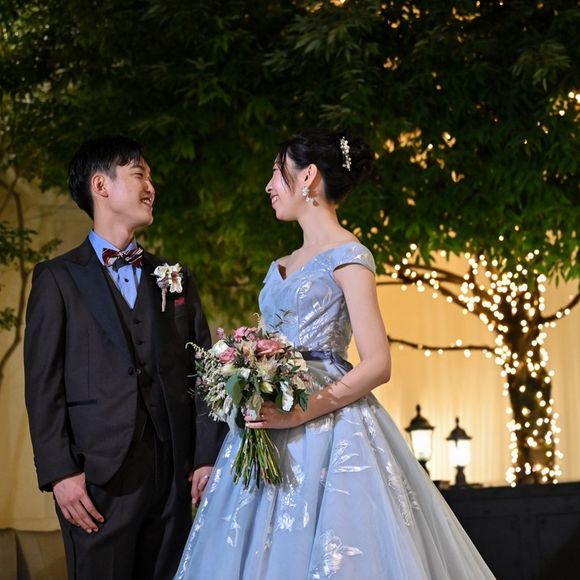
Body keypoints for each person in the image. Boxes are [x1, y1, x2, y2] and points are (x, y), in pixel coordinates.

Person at [174, 129, 495, 579]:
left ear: (308, 176)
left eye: (277, 172)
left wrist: (298, 413)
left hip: (330, 429)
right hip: (269, 422)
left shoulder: (349, 256)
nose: (268, 186)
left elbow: (378, 363)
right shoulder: (280, 264)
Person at [24, 135, 227, 579]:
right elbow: (43, 386)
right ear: (101, 186)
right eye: (139, 175)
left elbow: (204, 373)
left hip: (172, 477)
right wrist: (60, 473)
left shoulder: (174, 277)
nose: (150, 186)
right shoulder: (57, 279)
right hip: (95, 481)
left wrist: (207, 456)